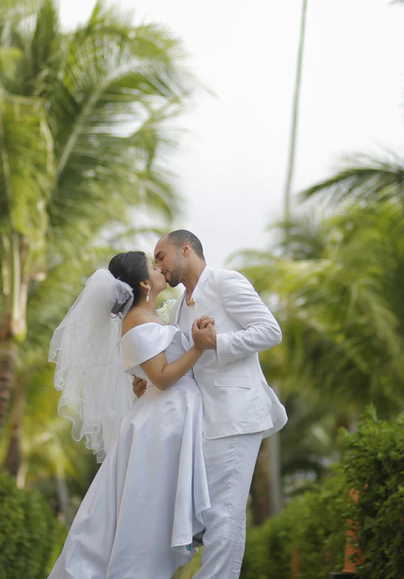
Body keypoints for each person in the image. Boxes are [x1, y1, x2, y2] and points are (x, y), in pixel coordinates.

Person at [47, 251, 217, 579]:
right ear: (144, 282)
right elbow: (164, 377)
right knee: (145, 516)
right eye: (154, 266)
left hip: (167, 418)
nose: (160, 269)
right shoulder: (137, 319)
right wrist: (198, 346)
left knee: (148, 513)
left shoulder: (150, 318)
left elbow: (154, 373)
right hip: (160, 426)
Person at [147, 229, 289, 579]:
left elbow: (270, 330)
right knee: (211, 516)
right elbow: (188, 366)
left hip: (238, 413)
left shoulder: (226, 281)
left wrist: (218, 342)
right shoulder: (179, 307)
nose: (158, 267)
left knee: (225, 513)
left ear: (185, 249)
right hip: (205, 422)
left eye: (161, 256)